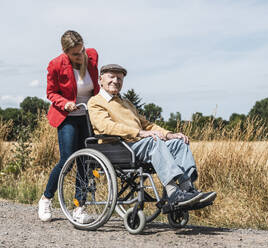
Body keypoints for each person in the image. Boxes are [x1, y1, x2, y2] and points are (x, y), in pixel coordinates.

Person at [87, 64, 216, 208]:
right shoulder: (95, 102)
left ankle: (187, 189)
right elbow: (106, 126)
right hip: (118, 147)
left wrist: (169, 134)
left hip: (138, 145)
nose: (116, 81)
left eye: (119, 78)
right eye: (111, 77)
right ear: (100, 80)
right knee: (153, 141)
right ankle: (173, 193)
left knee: (179, 143)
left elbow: (147, 125)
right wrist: (140, 133)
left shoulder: (126, 103)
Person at [38, 30, 100, 223]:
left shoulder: (92, 56)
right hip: (68, 116)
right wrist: (65, 102)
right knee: (67, 160)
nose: (80, 56)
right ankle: (46, 199)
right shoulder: (56, 65)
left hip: (88, 116)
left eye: (81, 51)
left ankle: (79, 208)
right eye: (75, 54)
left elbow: (97, 84)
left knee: (86, 161)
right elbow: (51, 92)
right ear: (65, 52)